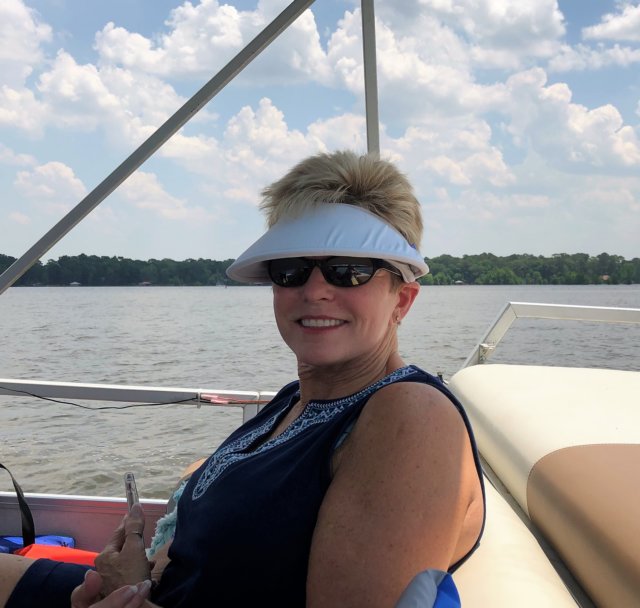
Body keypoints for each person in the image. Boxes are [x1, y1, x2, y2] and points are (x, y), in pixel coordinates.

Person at [0, 150, 485, 607]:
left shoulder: (412, 416)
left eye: (349, 270)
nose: (315, 290)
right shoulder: (297, 399)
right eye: (291, 269)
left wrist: (128, 590)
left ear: (402, 300)